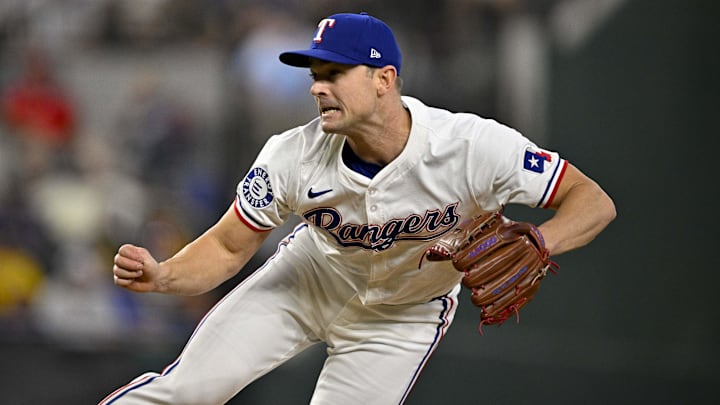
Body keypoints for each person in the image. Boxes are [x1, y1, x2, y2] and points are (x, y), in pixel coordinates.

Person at [100, 12, 615, 405]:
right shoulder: (292, 154)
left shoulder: (472, 146)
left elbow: (592, 201)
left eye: (335, 73)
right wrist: (164, 275)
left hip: (401, 319)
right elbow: (228, 245)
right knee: (186, 390)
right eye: (315, 74)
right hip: (308, 280)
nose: (318, 86)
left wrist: (543, 241)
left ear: (383, 79)